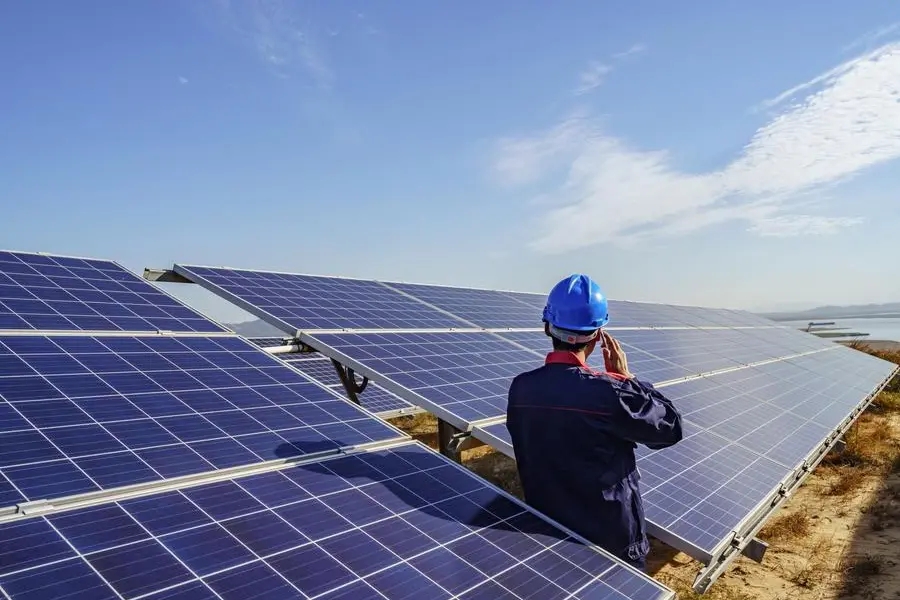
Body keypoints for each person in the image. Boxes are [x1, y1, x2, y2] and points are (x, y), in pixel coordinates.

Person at [506, 273, 683, 572]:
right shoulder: (610, 394)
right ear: (598, 335)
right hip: (610, 543)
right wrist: (629, 381)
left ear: (547, 326)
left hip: (549, 534)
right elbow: (669, 429)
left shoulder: (521, 389)